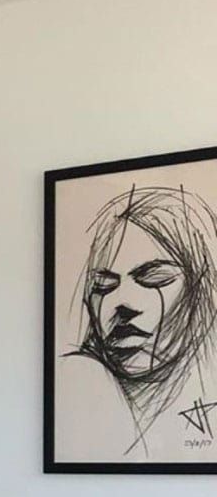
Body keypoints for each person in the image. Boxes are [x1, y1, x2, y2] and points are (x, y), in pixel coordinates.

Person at [69, 184, 217, 447]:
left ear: (202, 288)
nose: (122, 304)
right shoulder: (78, 390)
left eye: (154, 279)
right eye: (103, 286)